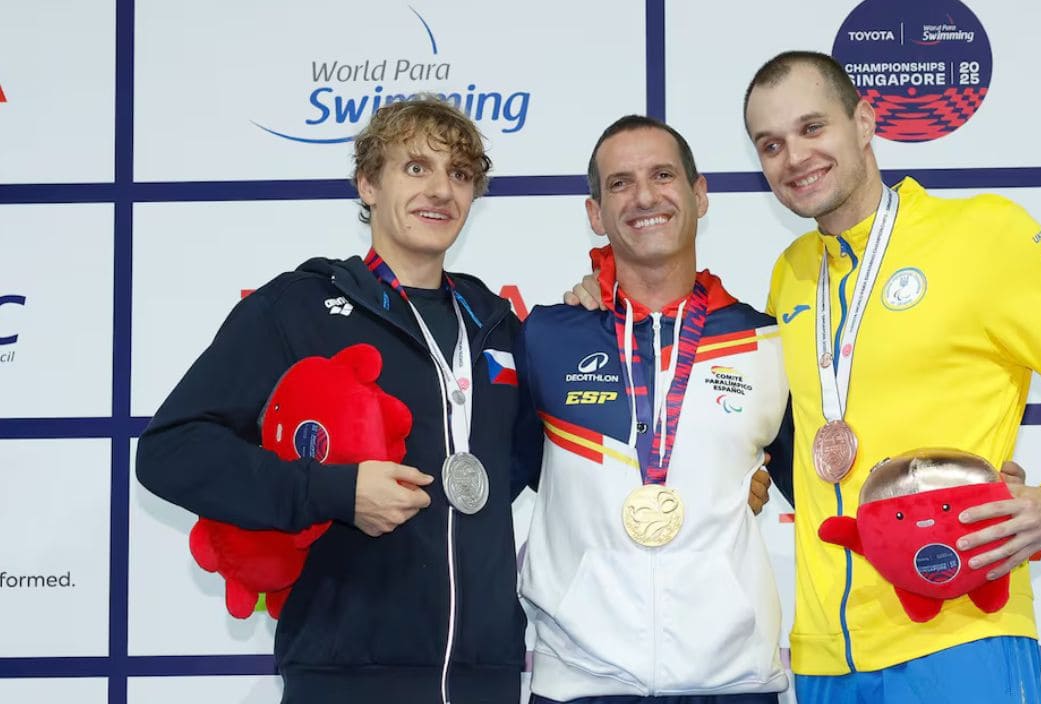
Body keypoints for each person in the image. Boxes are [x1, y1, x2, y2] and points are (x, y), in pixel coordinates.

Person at [740, 51, 1041, 703]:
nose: (794, 157)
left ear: (865, 122)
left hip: (961, 633)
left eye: (812, 128)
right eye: (771, 143)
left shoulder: (983, 234)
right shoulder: (791, 272)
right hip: (823, 655)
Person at [136, 97, 530, 703]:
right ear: (367, 183)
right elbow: (170, 450)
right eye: (416, 168)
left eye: (459, 174)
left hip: (487, 678)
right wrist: (333, 492)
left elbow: (535, 461)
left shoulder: (495, 324)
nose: (441, 191)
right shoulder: (299, 307)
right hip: (347, 678)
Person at [515, 115, 795, 703]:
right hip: (580, 682)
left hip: (735, 683)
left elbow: (829, 486)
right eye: (619, 183)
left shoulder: (766, 342)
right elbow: (492, 475)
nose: (644, 196)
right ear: (595, 213)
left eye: (662, 175)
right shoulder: (545, 335)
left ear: (698, 195)